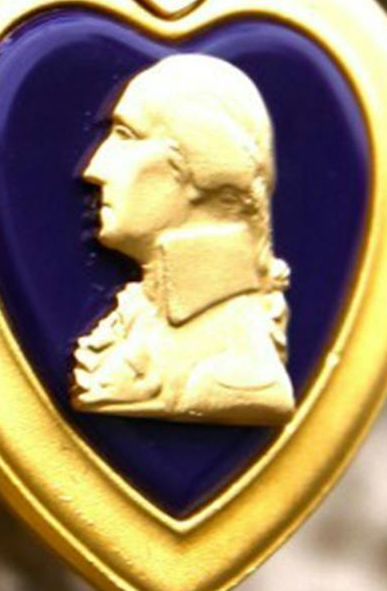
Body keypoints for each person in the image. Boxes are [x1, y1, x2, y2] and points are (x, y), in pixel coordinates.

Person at [73, 56, 296, 425]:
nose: (95, 167)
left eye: (126, 135)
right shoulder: (143, 321)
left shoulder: (238, 373)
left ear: (206, 165)